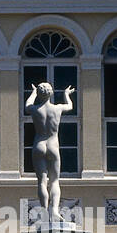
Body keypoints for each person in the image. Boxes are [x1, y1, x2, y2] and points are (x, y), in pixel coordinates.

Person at [24, 82, 74, 221]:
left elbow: (27, 105)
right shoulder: (57, 109)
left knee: (41, 181)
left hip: (39, 144)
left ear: (40, 94)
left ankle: (45, 212)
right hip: (53, 145)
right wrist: (66, 95)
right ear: (51, 93)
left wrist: (33, 92)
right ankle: (55, 211)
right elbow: (70, 106)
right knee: (55, 181)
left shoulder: (35, 109)